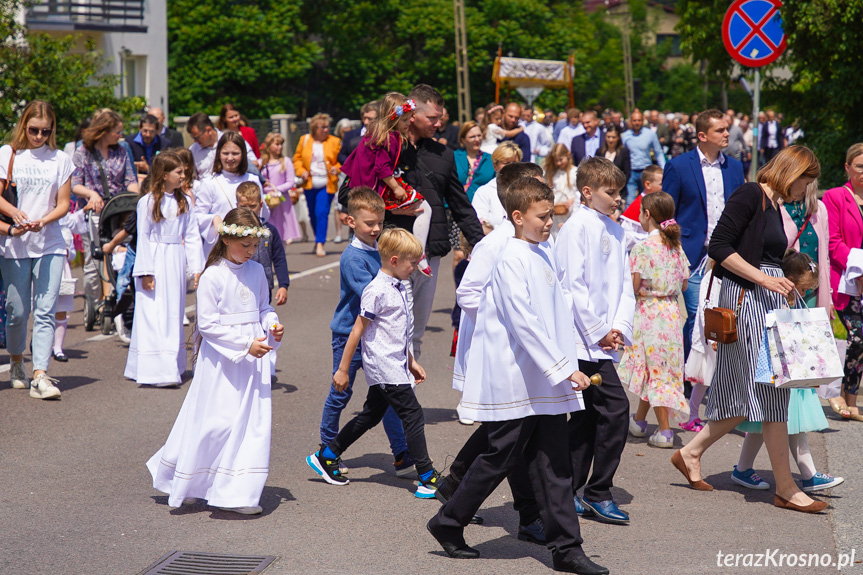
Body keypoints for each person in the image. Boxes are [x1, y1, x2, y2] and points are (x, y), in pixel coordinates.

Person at [428, 178, 608, 575]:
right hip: (517, 376)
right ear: (516, 216)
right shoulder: (509, 256)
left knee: (554, 462)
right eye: (542, 217)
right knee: (499, 456)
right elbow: (523, 323)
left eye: (550, 215)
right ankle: (448, 521)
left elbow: (557, 311)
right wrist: (564, 369)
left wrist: (578, 350)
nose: (549, 222)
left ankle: (566, 548)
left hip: (543, 378)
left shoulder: (541, 251)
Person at [672, 145, 828, 514]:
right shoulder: (751, 193)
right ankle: (786, 487)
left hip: (763, 298)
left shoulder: (771, 203)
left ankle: (690, 453)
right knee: (772, 391)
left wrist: (784, 280)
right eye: (806, 181)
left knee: (742, 393)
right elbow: (719, 246)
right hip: (748, 300)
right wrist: (765, 278)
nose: (805, 190)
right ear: (792, 172)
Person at [147, 207, 282, 515]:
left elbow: (263, 307)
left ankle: (236, 492)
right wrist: (246, 344)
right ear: (225, 239)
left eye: (254, 246)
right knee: (216, 422)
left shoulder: (257, 271)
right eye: (244, 245)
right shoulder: (214, 275)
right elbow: (207, 324)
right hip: (223, 360)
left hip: (252, 358)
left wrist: (272, 325)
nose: (250, 252)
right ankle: (192, 480)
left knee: (249, 424)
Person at [338, 84, 485, 361]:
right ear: (412, 113)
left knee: (415, 331)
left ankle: (404, 395)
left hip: (429, 253)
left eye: (440, 117)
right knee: (383, 328)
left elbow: (460, 203)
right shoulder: (380, 145)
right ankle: (387, 396)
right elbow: (349, 193)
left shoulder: (443, 154)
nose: (439, 123)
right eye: (433, 118)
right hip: (387, 254)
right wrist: (391, 207)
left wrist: (483, 244)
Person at [306, 228, 442, 498]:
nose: (415, 267)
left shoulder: (400, 285)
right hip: (384, 367)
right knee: (413, 415)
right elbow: (357, 330)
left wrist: (411, 360)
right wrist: (343, 369)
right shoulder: (376, 290)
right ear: (394, 260)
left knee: (371, 415)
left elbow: (400, 330)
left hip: (396, 364)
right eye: (411, 262)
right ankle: (427, 476)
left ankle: (327, 454)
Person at [555, 156, 634, 525]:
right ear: (587, 192)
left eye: (619, 191)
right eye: (610, 192)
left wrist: (618, 325)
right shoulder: (575, 228)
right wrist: (597, 329)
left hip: (604, 336)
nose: (618, 198)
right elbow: (572, 286)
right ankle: (597, 492)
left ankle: (567, 488)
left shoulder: (617, 231)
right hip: (582, 338)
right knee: (615, 411)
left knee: (587, 419)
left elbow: (624, 288)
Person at [316, 188, 414, 478]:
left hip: (377, 335)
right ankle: (326, 449)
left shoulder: (379, 249)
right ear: (350, 222)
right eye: (369, 223)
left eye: (380, 223)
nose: (375, 229)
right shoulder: (352, 259)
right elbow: (373, 295)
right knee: (340, 392)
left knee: (390, 394)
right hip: (350, 335)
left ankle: (401, 453)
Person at [731, 250, 845, 493]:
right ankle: (808, 474)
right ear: (788, 280)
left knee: (771, 424)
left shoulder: (786, 300)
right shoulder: (776, 300)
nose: (804, 295)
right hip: (788, 374)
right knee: (783, 422)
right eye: (802, 289)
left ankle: (744, 468)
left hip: (791, 374)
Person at [0, 100, 72, 399]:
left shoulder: (61, 159)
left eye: (45, 131)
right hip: (15, 243)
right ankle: (17, 360)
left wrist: (44, 220)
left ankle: (41, 374)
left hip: (50, 242)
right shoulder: (9, 154)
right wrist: (16, 215)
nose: (39, 136)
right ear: (24, 126)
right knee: (17, 311)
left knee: (45, 311)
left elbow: (64, 203)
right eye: (34, 130)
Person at [663, 109, 745, 362]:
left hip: (729, 253)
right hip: (693, 254)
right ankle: (690, 376)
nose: (727, 134)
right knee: (698, 314)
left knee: (726, 315)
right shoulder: (678, 166)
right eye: (720, 130)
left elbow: (743, 208)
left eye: (726, 128)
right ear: (702, 135)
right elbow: (666, 212)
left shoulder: (735, 167)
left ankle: (717, 372)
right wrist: (672, 249)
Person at [125, 153, 203, 388]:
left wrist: (197, 268)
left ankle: (173, 365)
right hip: (155, 261)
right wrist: (146, 271)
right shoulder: (147, 202)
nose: (183, 176)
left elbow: (191, 236)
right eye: (178, 172)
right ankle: (155, 369)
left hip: (175, 261)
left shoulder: (185, 201)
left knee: (173, 312)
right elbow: (144, 237)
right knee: (153, 312)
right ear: (164, 175)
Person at [620, 192, 690, 448]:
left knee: (656, 370)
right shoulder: (675, 246)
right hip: (670, 313)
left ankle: (665, 431)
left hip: (649, 313)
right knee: (660, 368)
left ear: (647, 214)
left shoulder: (642, 248)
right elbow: (684, 283)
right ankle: (639, 420)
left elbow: (635, 286)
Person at [341, 93, 433, 276]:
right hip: (379, 188)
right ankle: (419, 253)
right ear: (394, 118)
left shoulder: (378, 134)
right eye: (406, 119)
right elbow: (381, 168)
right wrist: (397, 188)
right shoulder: (388, 138)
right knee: (425, 208)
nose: (410, 122)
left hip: (373, 188)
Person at [71, 110, 140, 307]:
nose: (121, 135)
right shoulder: (83, 152)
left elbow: (130, 180)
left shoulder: (121, 150)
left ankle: (119, 296)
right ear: (103, 131)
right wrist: (91, 194)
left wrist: (135, 199)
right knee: (94, 261)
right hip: (94, 211)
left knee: (123, 249)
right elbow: (75, 183)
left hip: (118, 210)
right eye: (117, 131)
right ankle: (92, 302)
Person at [823, 143, 863, 421]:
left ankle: (852, 399)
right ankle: (837, 392)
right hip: (846, 282)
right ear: (847, 168)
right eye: (859, 166)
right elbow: (832, 241)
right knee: (856, 337)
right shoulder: (836, 197)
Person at [194, 132, 264, 255]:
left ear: (243, 154)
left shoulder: (253, 179)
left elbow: (264, 215)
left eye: (235, 153)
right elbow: (197, 216)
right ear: (218, 154)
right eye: (225, 153)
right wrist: (213, 219)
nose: (230, 158)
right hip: (219, 248)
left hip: (248, 248)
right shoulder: (209, 182)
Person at [293, 113, 341, 257]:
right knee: (312, 214)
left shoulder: (335, 141)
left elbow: (342, 160)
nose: (326, 130)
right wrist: (301, 171)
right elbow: (297, 159)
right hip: (309, 183)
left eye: (327, 127)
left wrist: (336, 168)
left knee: (322, 213)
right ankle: (317, 239)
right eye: (323, 127)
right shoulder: (305, 140)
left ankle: (320, 243)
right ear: (315, 128)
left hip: (327, 183)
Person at [235, 182, 289, 305]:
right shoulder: (233, 232)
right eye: (244, 206)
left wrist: (283, 285)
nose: (248, 211)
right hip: (239, 285)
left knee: (263, 316)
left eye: (252, 206)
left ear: (260, 205)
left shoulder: (269, 231)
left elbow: (279, 258)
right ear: (237, 206)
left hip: (264, 285)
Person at [259, 132, 302, 244]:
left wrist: (277, 190)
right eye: (277, 144)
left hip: (281, 200)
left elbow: (290, 182)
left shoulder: (285, 161)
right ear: (268, 146)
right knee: (267, 230)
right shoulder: (261, 163)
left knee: (282, 231)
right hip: (266, 200)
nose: (280, 147)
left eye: (281, 144)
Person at [186, 113, 256, 178]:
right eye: (193, 138)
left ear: (209, 130)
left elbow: (254, 163)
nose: (195, 141)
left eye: (197, 137)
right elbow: (191, 177)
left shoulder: (232, 140)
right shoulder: (193, 150)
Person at [471, 142, 522, 232]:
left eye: (514, 163)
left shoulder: (526, 189)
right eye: (506, 163)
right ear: (495, 166)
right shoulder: (484, 192)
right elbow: (480, 223)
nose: (511, 167)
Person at [622, 109, 665, 205]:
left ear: (643, 121)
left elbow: (658, 152)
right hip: (631, 171)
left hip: (646, 171)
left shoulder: (650, 134)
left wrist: (663, 168)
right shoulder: (625, 136)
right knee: (630, 200)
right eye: (634, 120)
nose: (637, 123)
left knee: (647, 199)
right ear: (631, 121)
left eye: (639, 120)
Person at [619, 165, 662, 251]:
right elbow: (625, 237)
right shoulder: (637, 206)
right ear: (648, 184)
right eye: (661, 184)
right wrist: (650, 237)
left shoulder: (661, 202)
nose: (664, 186)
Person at [453, 121, 494, 202]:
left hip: (483, 207)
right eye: (472, 137)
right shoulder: (453, 157)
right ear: (463, 140)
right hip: (459, 207)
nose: (477, 139)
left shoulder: (490, 159)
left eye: (479, 135)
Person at [543, 144, 578, 236]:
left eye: (561, 160)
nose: (558, 163)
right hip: (556, 211)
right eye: (556, 160)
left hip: (571, 211)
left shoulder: (575, 172)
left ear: (568, 155)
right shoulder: (552, 174)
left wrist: (572, 200)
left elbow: (580, 192)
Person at [338, 101, 379, 165]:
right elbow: (342, 155)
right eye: (365, 118)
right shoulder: (352, 139)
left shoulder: (388, 140)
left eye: (370, 119)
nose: (366, 122)